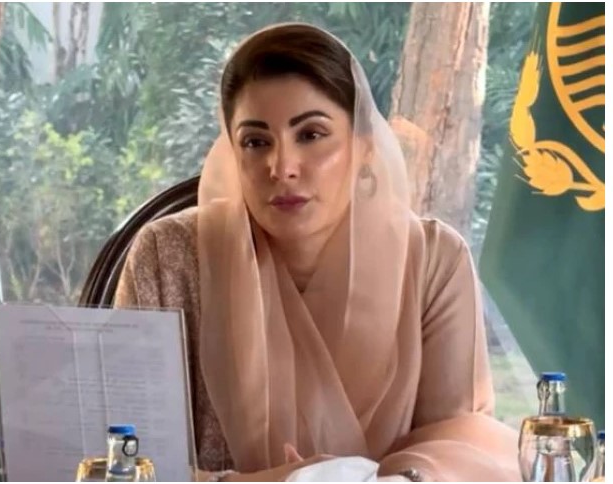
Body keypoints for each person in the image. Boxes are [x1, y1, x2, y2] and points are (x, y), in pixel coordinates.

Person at [114, 23, 521, 481]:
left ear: (364, 147)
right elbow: (123, 464)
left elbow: (461, 450)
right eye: (256, 142)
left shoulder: (433, 262)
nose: (282, 167)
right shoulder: (167, 255)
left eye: (310, 134)